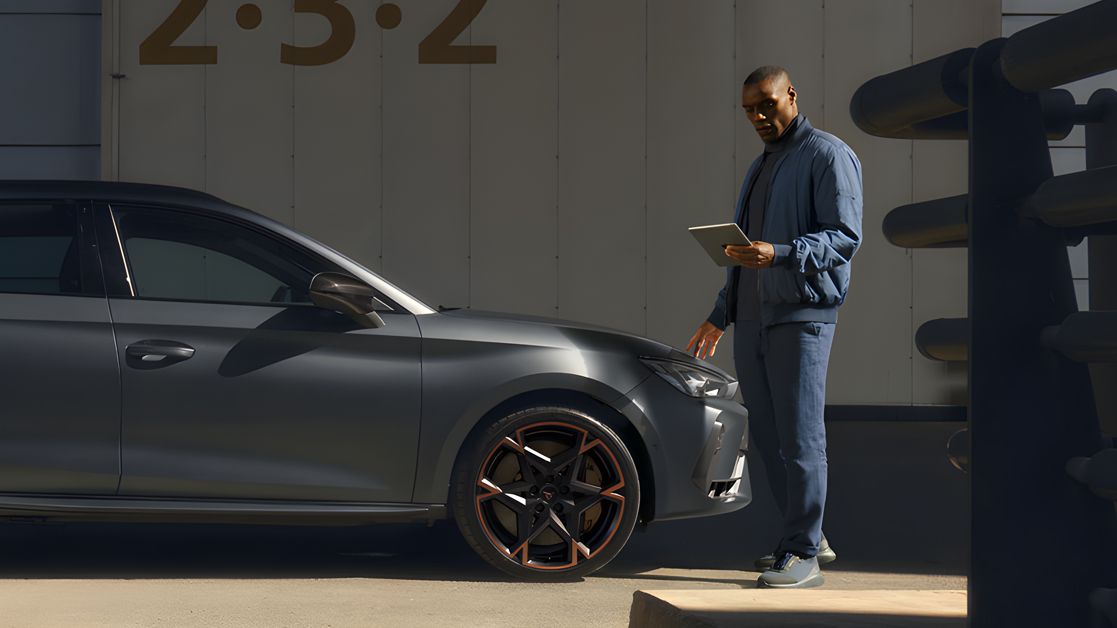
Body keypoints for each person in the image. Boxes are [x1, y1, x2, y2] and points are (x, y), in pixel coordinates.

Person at [687, 66, 862, 589]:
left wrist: (781, 253)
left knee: (802, 439)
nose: (759, 116)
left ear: (792, 95)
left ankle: (804, 552)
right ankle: (808, 537)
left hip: (802, 318)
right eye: (749, 110)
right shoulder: (762, 166)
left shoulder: (828, 155)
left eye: (767, 104)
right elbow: (747, 255)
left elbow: (845, 237)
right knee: (769, 438)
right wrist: (722, 313)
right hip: (755, 319)